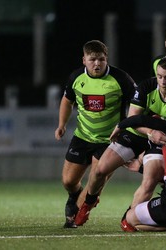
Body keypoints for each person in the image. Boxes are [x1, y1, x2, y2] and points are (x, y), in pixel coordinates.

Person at [74, 56, 166, 226]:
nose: (162, 81)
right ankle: (89, 202)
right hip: (138, 134)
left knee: (150, 181)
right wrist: (150, 132)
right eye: (160, 76)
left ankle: (130, 217)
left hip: (164, 141)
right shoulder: (146, 87)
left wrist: (151, 142)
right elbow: (134, 119)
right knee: (100, 170)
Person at [54, 40, 136, 228]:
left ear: (106, 59)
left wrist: (130, 131)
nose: (97, 63)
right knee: (68, 181)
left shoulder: (121, 79)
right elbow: (67, 101)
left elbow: (138, 105)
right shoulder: (76, 78)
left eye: (101, 59)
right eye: (92, 59)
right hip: (82, 137)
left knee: (95, 179)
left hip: (110, 141)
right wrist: (61, 125)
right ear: (84, 60)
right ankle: (76, 195)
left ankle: (76, 214)